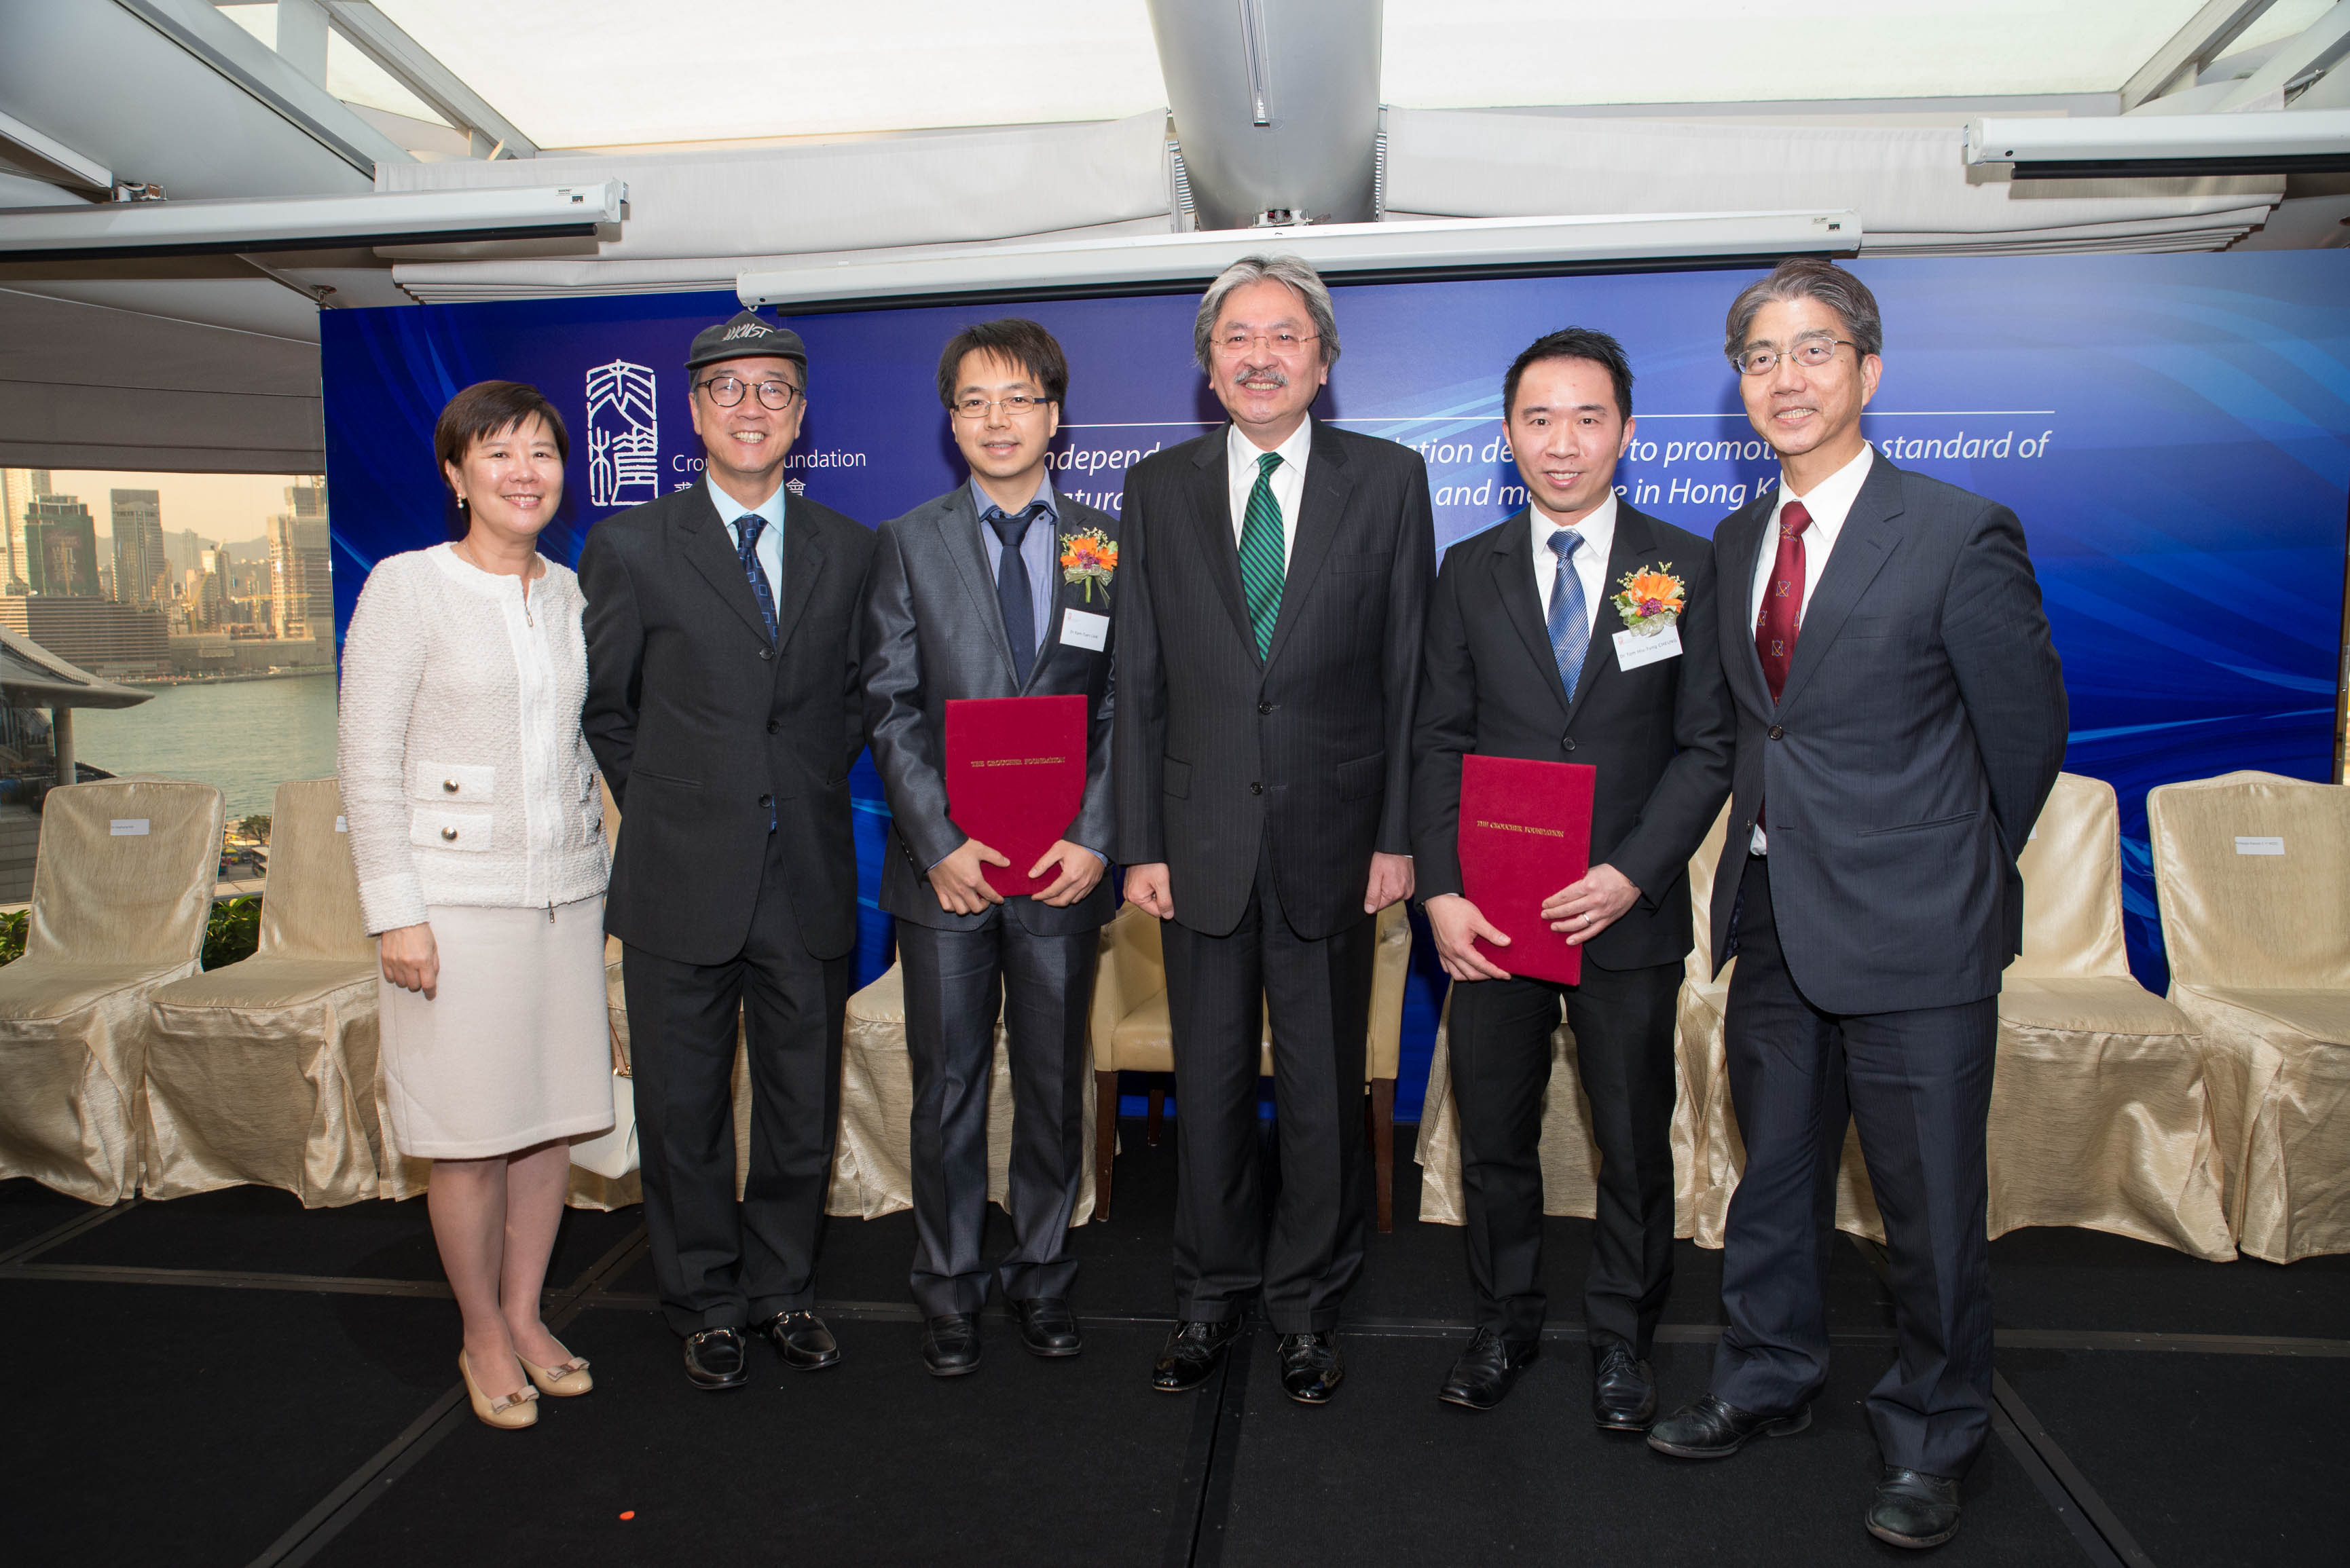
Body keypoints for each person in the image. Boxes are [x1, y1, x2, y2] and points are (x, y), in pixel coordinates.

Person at [1645, 259, 2066, 1552]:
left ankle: (1935, 1435)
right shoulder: (1732, 544)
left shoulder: (1955, 527)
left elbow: (2024, 734)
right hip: (1770, 914)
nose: (1784, 377)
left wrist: (1948, 873)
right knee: (1770, 1176)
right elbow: (1732, 735)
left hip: (1917, 927)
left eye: (1812, 351)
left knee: (1928, 1202)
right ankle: (1766, 1376)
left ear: (1867, 372)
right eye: (1760, 357)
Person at [1114, 253, 1433, 1406]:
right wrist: (1139, 840)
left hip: (1335, 843)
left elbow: (1407, 674)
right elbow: (1138, 679)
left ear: (1322, 358)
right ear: (1209, 364)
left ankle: (1306, 1307)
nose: (1259, 355)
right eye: (1236, 338)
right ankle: (1207, 1297)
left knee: (1317, 1091)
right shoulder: (1155, 489)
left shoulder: (1389, 481)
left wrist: (1397, 832)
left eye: (1283, 336)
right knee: (1205, 1088)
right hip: (1194, 844)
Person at [1412, 329, 1731, 1423]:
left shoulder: (1684, 567)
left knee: (1632, 1138)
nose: (1563, 442)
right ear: (1507, 435)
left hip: (1622, 915)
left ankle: (1622, 1340)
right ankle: (1502, 1320)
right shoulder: (1468, 569)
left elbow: (1708, 746)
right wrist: (1440, 890)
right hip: (1490, 914)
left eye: (1587, 418)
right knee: (1497, 1134)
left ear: (1627, 432)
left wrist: (1632, 873)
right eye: (1539, 419)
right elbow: (1436, 740)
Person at [579, 311, 877, 1392]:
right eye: (729, 389)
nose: (751, 407)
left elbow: (853, 702)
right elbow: (606, 711)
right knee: (682, 1107)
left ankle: (786, 1291)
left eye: (773, 390)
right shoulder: (629, 546)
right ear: (695, 411)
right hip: (676, 876)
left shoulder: (852, 546)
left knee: (800, 1104)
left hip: (803, 873)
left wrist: (780, 792)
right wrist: (679, 807)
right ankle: (704, 1299)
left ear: (801, 415)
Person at [339, 379, 614, 1430]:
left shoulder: (573, 592)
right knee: (467, 1134)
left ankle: (527, 1311)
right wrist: (393, 910)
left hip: (565, 896)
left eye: (541, 452)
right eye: (497, 454)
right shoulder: (409, 589)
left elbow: (592, 747)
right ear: (456, 474)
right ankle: (481, 1332)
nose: (524, 471)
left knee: (546, 1125)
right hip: (450, 907)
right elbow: (366, 762)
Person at [862, 319, 1119, 1375]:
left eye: (1018, 399)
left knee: (1054, 1086)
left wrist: (1097, 836)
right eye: (973, 401)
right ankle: (951, 1282)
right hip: (949, 878)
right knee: (950, 1086)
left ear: (1054, 416)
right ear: (951, 419)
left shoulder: (1105, 541)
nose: (996, 420)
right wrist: (939, 842)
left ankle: (1044, 1276)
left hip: (1063, 870)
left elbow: (1122, 708)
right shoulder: (907, 540)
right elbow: (887, 706)